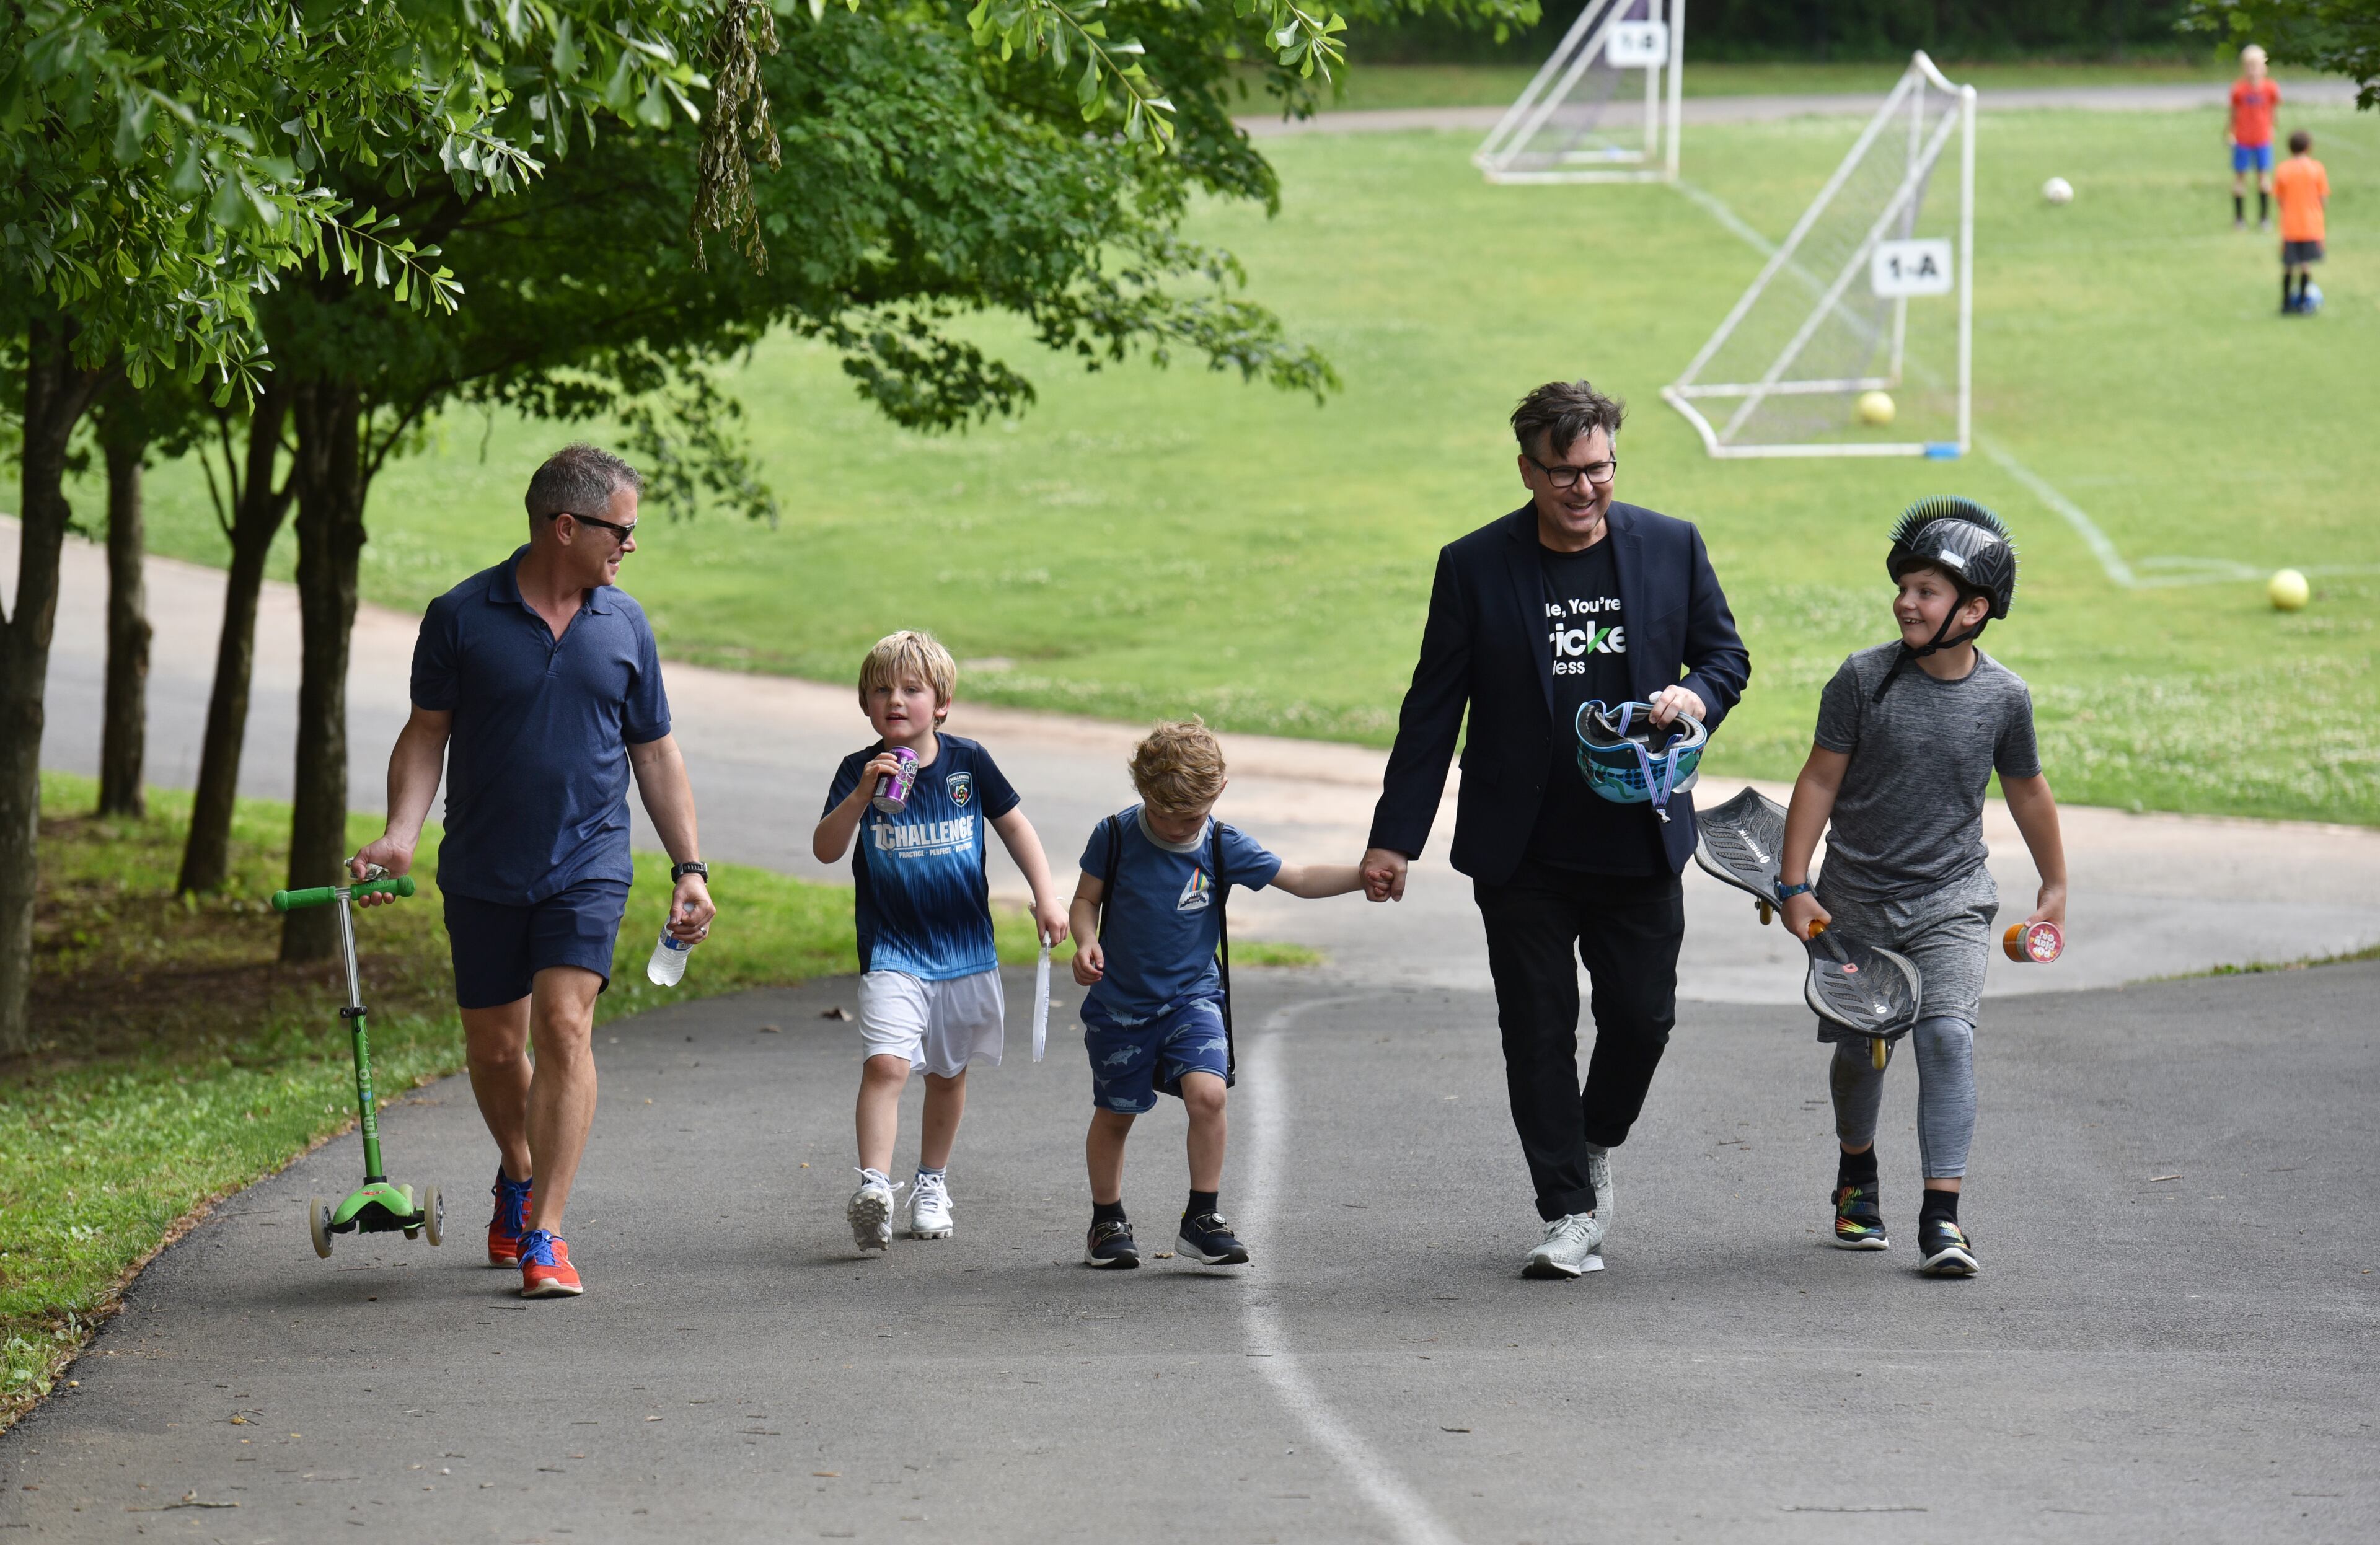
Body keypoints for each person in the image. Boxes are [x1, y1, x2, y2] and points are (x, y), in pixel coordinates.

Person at [1360, 380, 1750, 1280]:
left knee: (1643, 1019)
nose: (1585, 490)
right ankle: (1568, 1208)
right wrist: (1395, 837)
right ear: (1529, 469)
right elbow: (1433, 710)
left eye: (1599, 469)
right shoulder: (1474, 565)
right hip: (1522, 846)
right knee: (1536, 1028)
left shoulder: (1671, 544)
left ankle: (1595, 1138)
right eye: (1565, 473)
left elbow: (1726, 653)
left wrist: (1699, 694)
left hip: (1637, 833)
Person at [355, 444, 715, 1300]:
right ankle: (517, 1170)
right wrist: (401, 832)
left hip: (589, 861)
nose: (629, 546)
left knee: (563, 1026)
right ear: (567, 526)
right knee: (495, 1046)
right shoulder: (461, 615)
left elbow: (655, 752)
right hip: (482, 864)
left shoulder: (624, 624)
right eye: (621, 530)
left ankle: (546, 1233)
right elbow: (427, 733)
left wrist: (689, 867)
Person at [1773, 498, 2068, 1279]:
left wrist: (2055, 884)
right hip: (1856, 903)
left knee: (1946, 1036)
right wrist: (1794, 884)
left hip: (1951, 899)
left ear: (1975, 610)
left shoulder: (2005, 697)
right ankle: (1857, 1172)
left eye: (1928, 591)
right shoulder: (1863, 680)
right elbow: (1819, 780)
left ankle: (1943, 1218)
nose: (1907, 600)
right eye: (1904, 586)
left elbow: (2029, 791)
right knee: (1865, 1054)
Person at [1067, 719, 1362, 1270]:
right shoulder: (1113, 836)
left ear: (1219, 792)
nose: (1179, 828)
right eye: (1164, 815)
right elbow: (1085, 901)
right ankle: (1106, 1220)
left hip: (1193, 999)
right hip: (1121, 1008)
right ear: (1142, 794)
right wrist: (1085, 941)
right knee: (1116, 1113)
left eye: (1192, 817)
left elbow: (1296, 877)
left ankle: (1201, 1217)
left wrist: (1363, 874)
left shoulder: (1224, 844)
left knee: (1209, 1095)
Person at [813, 631, 1070, 1252]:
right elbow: (825, 849)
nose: (895, 701)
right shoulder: (857, 771)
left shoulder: (968, 762)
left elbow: (1015, 826)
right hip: (892, 951)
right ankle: (875, 1188)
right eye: (881, 691)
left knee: (949, 1076)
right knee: (886, 1064)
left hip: (963, 951)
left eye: (911, 690)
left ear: (942, 703)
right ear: (865, 706)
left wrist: (1046, 894)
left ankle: (932, 1183)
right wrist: (859, 796)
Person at [2275, 129, 2330, 315]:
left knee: (2289, 265)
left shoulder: (2283, 169)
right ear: (2309, 147)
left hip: (2290, 225)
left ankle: (2284, 304)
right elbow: (2323, 199)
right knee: (2306, 264)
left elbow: (2280, 199)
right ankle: (2304, 305)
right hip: (2311, 225)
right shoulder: (2317, 168)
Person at [2227, 45, 2282, 231]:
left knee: (2263, 179)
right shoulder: (2238, 90)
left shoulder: (2271, 88)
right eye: (2249, 66)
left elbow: (2274, 112)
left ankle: (2264, 218)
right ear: (2244, 67)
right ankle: (2239, 219)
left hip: (2262, 140)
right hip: (2242, 140)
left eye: (2257, 65)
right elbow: (2233, 114)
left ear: (2265, 67)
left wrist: (2272, 129)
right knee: (2240, 179)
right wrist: (2230, 133)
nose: (2253, 70)